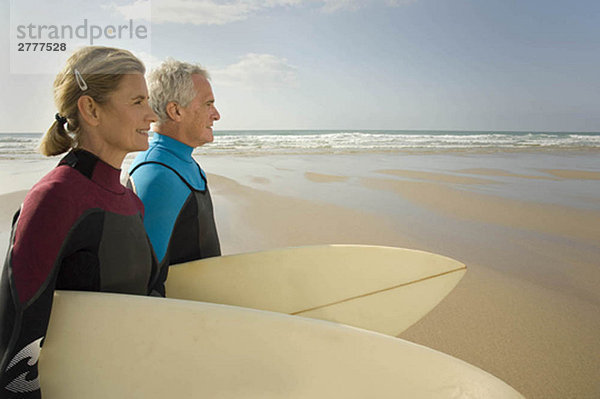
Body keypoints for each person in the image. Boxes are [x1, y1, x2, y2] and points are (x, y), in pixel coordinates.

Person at [0, 46, 164, 399]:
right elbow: (16, 349)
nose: (151, 114)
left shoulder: (132, 202)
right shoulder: (56, 199)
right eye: (137, 101)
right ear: (90, 109)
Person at [128, 59, 221, 270]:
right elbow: (145, 279)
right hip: (184, 303)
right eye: (208, 104)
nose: (216, 115)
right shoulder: (157, 175)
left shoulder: (184, 164)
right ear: (176, 111)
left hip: (205, 300)